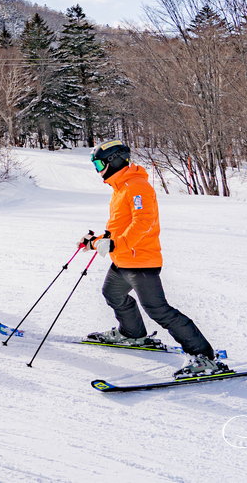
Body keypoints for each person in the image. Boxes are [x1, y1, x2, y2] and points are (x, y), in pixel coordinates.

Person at [81, 139, 228, 378]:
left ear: (113, 161)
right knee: (113, 294)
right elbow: (119, 226)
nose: (98, 170)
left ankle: (204, 357)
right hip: (123, 259)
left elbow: (143, 222)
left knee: (158, 309)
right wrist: (96, 240)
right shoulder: (120, 187)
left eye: (99, 164)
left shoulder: (137, 186)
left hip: (141, 261)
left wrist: (117, 244)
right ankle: (132, 334)